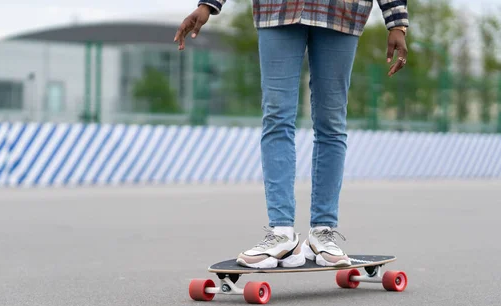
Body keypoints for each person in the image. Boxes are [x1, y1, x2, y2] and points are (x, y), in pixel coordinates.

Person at [175, 0, 408, 269]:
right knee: (276, 117)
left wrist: (397, 22)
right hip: (279, 9)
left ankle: (323, 231)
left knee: (331, 123)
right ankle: (282, 233)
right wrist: (208, 4)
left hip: (341, 11)